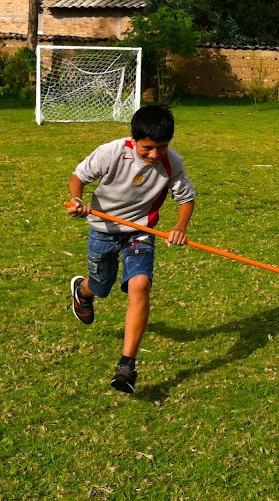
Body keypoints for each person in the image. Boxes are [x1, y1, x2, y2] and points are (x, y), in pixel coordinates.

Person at [66, 105, 196, 394]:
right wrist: (77, 200)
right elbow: (79, 177)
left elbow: (186, 198)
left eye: (161, 147)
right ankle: (83, 292)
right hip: (103, 229)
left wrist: (180, 227)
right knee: (100, 285)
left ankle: (127, 365)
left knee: (140, 284)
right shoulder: (112, 152)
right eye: (147, 148)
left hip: (140, 231)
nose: (154, 155)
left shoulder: (172, 162)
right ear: (133, 139)